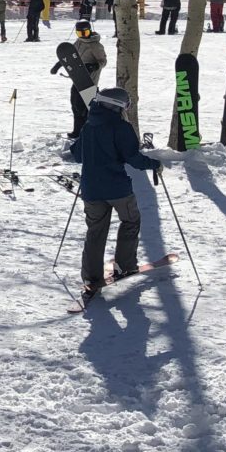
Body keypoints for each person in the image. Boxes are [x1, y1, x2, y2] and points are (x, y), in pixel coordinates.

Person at [77, 87, 160, 301]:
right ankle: (125, 264)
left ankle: (90, 276)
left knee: (95, 231)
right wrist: (154, 164)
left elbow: (77, 154)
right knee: (131, 220)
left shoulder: (88, 125)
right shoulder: (121, 127)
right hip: (116, 188)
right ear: (117, 106)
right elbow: (133, 157)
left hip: (91, 189)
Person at [66, 20, 108, 139]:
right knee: (75, 105)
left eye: (85, 33)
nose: (83, 36)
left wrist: (94, 66)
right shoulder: (78, 42)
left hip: (90, 82)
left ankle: (88, 131)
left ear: (89, 31)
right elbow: (70, 55)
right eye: (80, 34)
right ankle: (77, 130)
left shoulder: (95, 45)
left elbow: (103, 61)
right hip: (78, 79)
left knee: (85, 108)